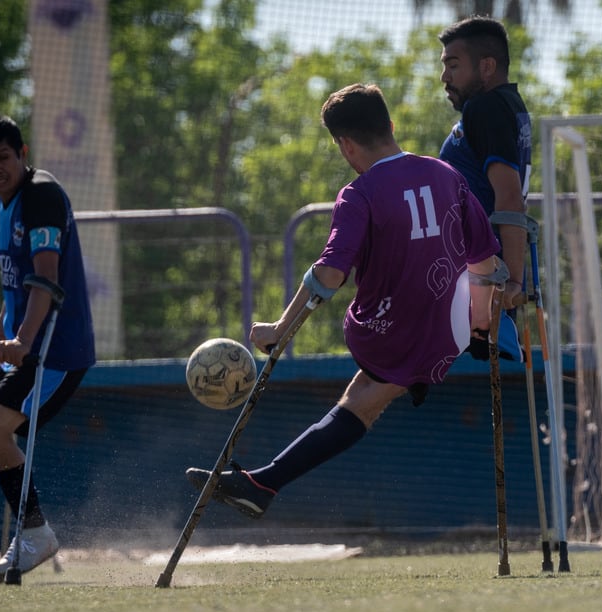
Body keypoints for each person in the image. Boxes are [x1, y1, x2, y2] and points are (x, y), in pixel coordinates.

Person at [185, 83, 510, 517]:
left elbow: (330, 273)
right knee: (362, 400)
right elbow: (485, 262)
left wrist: (278, 331)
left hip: (385, 333)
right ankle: (263, 484)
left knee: (365, 392)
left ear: (345, 144)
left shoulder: (359, 194)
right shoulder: (447, 175)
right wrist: (480, 324)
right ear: (391, 126)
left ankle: (264, 484)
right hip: (447, 331)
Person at [0, 114, 96, 576]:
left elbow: (45, 277)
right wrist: (1, 334)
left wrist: (21, 340)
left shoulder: (41, 194)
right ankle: (34, 535)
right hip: (30, 345)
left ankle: (36, 535)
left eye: (4, 157)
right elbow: (15, 284)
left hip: (55, 348)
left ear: (23, 154)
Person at [438, 15, 532, 360]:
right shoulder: (509, 105)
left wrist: (512, 282)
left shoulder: (486, 107)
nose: (444, 77)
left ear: (487, 66)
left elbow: (508, 198)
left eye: (454, 65)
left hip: (478, 281)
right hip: (481, 278)